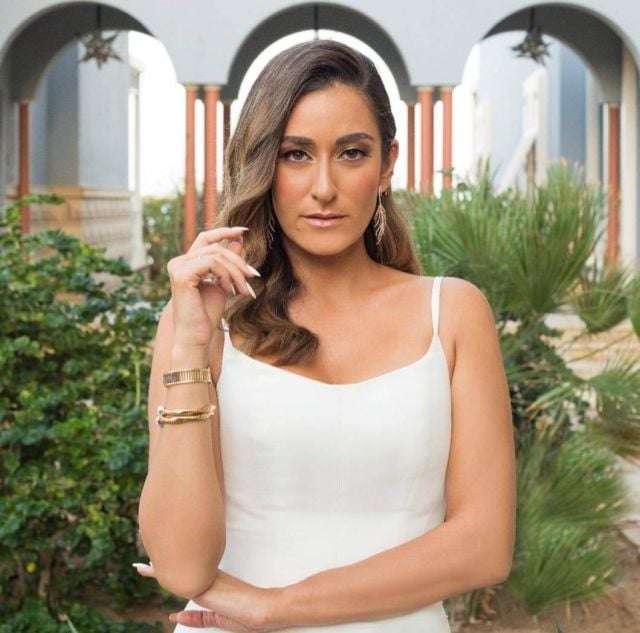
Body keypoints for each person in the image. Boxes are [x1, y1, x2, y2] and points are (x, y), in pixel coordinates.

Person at [135, 40, 516, 632]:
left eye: (351, 153)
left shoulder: (453, 314)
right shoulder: (202, 326)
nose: (323, 187)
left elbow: (485, 546)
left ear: (386, 164)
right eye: (295, 155)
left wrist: (279, 607)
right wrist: (189, 346)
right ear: (263, 165)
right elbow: (183, 567)